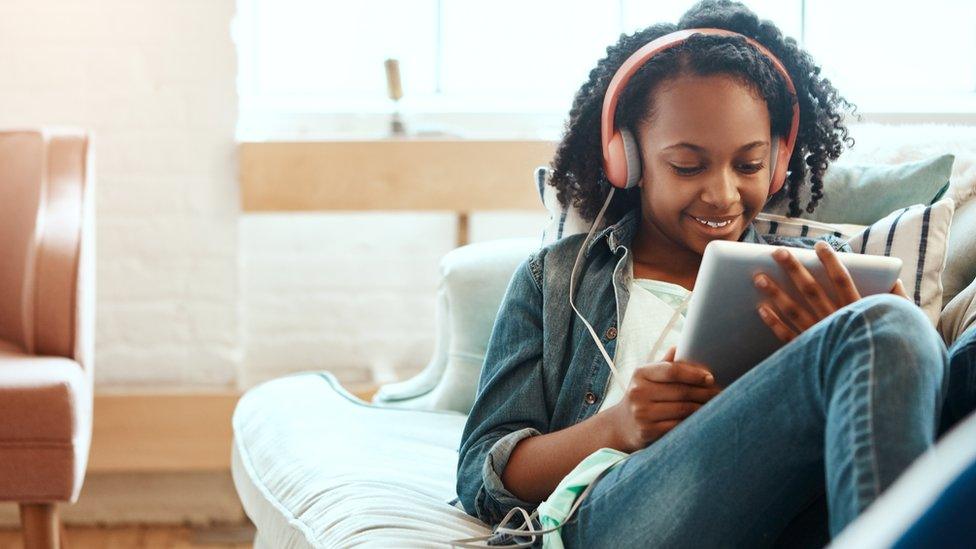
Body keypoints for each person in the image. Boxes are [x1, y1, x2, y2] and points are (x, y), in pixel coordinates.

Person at [453, 1, 973, 547]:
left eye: (748, 165)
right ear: (626, 158)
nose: (723, 194)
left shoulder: (817, 270)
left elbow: (909, 433)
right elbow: (480, 476)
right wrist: (619, 425)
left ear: (777, 161)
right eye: (687, 166)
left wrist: (863, 347)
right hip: (619, 514)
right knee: (883, 326)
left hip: (793, 517)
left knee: (897, 328)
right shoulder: (556, 279)